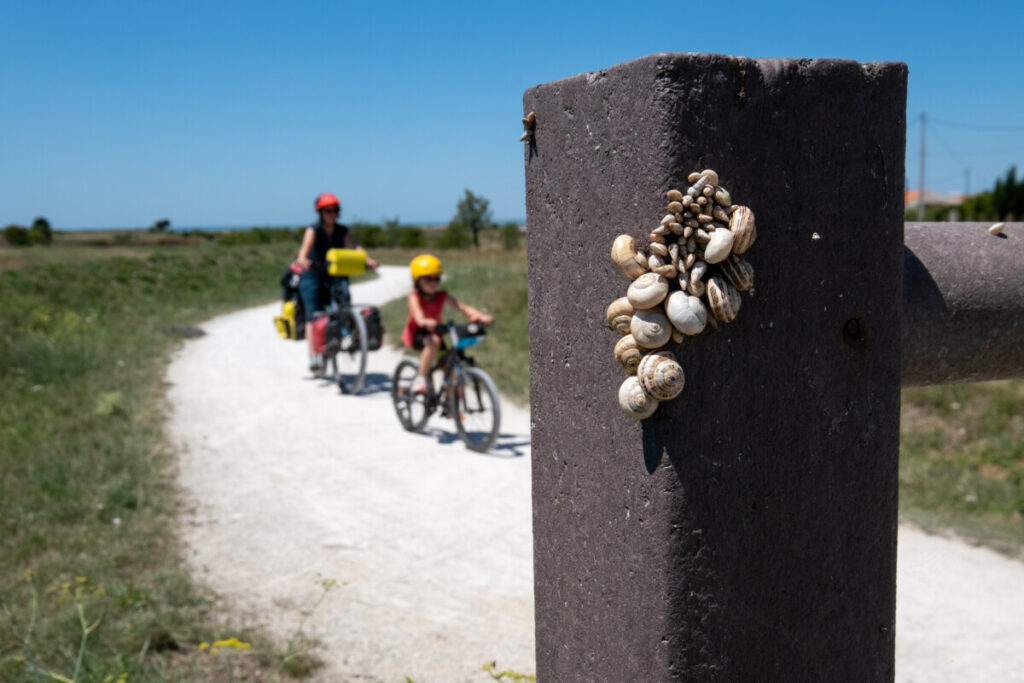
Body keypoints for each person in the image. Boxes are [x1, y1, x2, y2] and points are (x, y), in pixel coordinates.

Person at [296, 192, 379, 375]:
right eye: (327, 211)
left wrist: (369, 260)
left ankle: (347, 333)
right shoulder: (313, 229)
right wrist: (303, 260)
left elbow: (356, 247)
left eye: (334, 210)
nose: (331, 214)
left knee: (345, 302)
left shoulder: (343, 230)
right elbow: (304, 251)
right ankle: (314, 358)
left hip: (335, 272)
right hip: (313, 273)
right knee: (313, 314)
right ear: (320, 212)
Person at [401, 254, 493, 393]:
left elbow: (461, 307)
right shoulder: (414, 296)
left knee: (450, 368)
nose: (433, 283)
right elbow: (417, 313)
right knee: (435, 341)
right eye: (427, 279)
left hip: (436, 331)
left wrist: (479, 315)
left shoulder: (442, 295)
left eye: (436, 278)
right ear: (417, 280)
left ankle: (450, 405)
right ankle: (419, 379)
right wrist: (423, 321)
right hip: (418, 333)